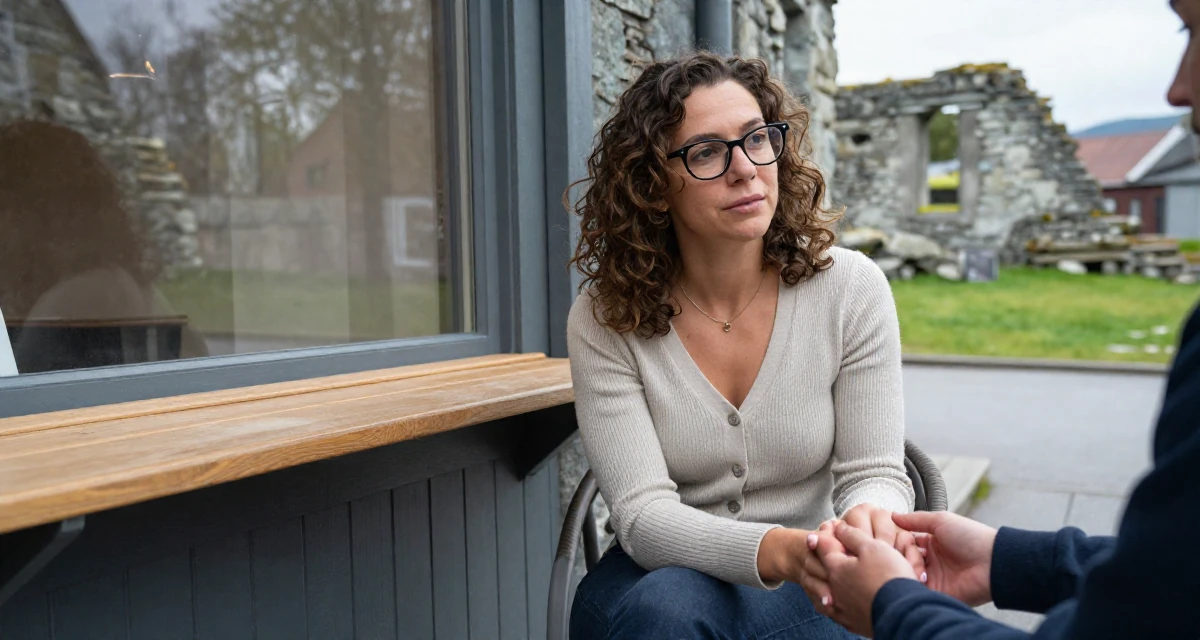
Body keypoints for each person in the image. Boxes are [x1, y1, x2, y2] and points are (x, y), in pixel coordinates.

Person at [800, 2, 1200, 637]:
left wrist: (895, 607)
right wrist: (1018, 560)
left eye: (1193, 29)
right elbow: (1175, 583)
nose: (1176, 86)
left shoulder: (851, 284)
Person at [564, 51, 926, 639]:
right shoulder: (607, 318)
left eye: (757, 138)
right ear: (653, 185)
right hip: (656, 576)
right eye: (706, 151)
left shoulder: (850, 289)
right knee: (667, 607)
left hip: (809, 578)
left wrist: (868, 524)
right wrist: (782, 551)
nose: (745, 168)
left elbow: (874, 470)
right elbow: (644, 518)